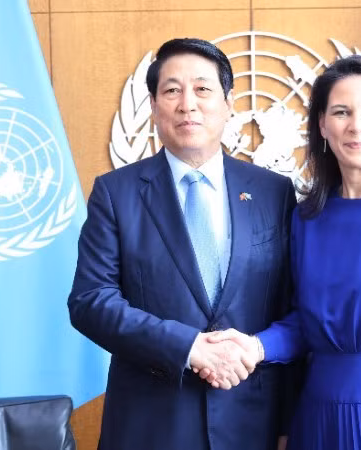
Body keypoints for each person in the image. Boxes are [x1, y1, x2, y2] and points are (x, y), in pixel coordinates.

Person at [201, 55, 361, 450]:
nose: (357, 126)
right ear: (322, 125)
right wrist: (254, 347)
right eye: (341, 112)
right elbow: (306, 326)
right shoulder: (307, 217)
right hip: (315, 420)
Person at [68, 38, 297, 450]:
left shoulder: (273, 193)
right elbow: (91, 300)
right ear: (154, 107)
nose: (187, 103)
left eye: (203, 89)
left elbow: (293, 308)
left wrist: (288, 425)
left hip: (251, 424)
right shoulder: (115, 193)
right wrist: (188, 347)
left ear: (228, 104)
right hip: (150, 426)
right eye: (172, 90)